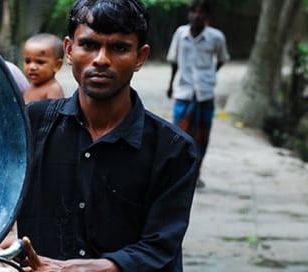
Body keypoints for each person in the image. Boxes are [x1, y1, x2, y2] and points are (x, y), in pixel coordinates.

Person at [16, 0, 199, 271]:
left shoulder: (173, 149)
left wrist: (70, 270)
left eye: (119, 48)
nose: (101, 59)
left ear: (140, 57)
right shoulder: (29, 125)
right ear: (68, 49)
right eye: (89, 45)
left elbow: (159, 248)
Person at [166, 0, 229, 187]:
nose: (197, 15)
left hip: (205, 94)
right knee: (178, 134)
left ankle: (196, 172)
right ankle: (177, 174)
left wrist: (208, 76)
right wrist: (170, 85)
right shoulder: (180, 34)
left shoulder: (216, 37)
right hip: (183, 92)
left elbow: (222, 59)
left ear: (207, 16)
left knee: (202, 136)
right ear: (189, 14)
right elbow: (174, 61)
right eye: (194, 11)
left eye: (201, 12)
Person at [22, 33, 65, 103]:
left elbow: (54, 113)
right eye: (27, 61)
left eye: (40, 62)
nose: (32, 67)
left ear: (57, 65)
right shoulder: (30, 86)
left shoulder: (53, 89)